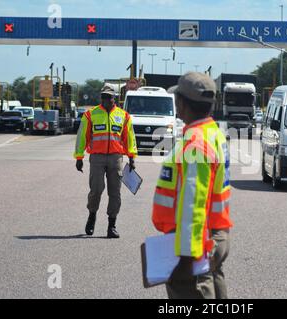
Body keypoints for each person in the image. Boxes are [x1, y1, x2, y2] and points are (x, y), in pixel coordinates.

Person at [151, 72, 233, 299]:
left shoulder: (196, 143)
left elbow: (193, 204)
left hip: (197, 242)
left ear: (182, 103)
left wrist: (186, 258)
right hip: (214, 233)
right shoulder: (213, 132)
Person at [74, 85, 137, 239]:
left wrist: (132, 157)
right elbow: (82, 136)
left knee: (115, 192)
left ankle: (112, 225)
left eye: (108, 96)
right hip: (97, 158)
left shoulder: (124, 116)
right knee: (96, 189)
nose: (105, 99)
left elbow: (129, 137)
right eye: (103, 96)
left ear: (114, 98)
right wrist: (79, 157)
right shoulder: (90, 114)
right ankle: (92, 215)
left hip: (116, 158)